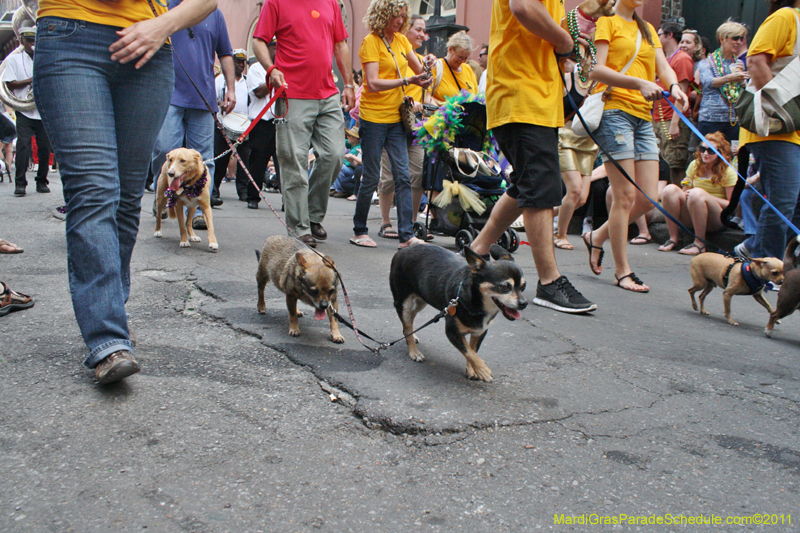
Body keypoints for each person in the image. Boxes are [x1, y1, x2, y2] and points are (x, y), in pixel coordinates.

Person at [33, 0, 217, 384]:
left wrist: (164, 25)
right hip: (70, 35)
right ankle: (108, 338)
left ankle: (111, 310)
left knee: (126, 197)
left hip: (149, 49)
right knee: (95, 191)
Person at [466, 0, 596, 313]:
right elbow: (523, 6)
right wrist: (565, 41)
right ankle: (550, 282)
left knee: (526, 183)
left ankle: (476, 251)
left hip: (536, 97)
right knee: (539, 189)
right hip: (521, 94)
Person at [583, 0, 688, 293]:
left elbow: (663, 67)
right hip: (614, 111)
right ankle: (622, 271)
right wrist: (638, 84)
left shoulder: (647, 29)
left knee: (648, 197)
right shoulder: (607, 22)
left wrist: (675, 87)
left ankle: (597, 237)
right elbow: (596, 71)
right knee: (626, 196)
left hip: (643, 116)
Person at [252, 0, 354, 248]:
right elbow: (259, 40)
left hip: (327, 93)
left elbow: (340, 44)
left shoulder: (330, 2)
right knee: (293, 160)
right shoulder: (276, 2)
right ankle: (300, 226)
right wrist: (271, 68)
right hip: (292, 93)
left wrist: (349, 83)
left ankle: (312, 215)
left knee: (334, 155)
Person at [350, 0, 431, 249]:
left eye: (403, 15)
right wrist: (407, 79)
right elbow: (372, 83)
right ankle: (360, 229)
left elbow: (422, 78)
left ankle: (407, 235)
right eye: (396, 15)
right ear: (384, 14)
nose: (400, 20)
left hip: (396, 119)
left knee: (403, 176)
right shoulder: (370, 42)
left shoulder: (402, 41)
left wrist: (427, 70)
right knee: (372, 176)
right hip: (373, 118)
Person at [151, 3, 235, 228]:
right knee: (164, 148)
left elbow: (225, 53)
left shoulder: (214, 12)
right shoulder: (163, 6)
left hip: (203, 98)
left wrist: (231, 89)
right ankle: (161, 193)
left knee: (203, 159)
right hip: (168, 93)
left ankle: (197, 209)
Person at [734, 0, 800, 260]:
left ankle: (772, 259)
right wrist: (780, 109)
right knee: (783, 200)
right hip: (775, 128)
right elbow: (756, 61)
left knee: (793, 203)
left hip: (793, 129)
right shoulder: (786, 17)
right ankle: (763, 260)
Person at [376, 13, 431, 240]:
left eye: (423, 30)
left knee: (417, 174)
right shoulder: (395, 56)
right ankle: (386, 221)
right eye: (418, 29)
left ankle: (411, 223)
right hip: (392, 121)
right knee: (389, 176)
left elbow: (428, 93)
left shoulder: (421, 61)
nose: (422, 34)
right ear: (405, 30)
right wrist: (409, 101)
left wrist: (428, 104)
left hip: (415, 125)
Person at [659, 132, 736, 255]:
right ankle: (673, 238)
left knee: (697, 193)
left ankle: (699, 243)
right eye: (703, 149)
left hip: (717, 218)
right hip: (693, 213)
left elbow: (732, 205)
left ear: (720, 153)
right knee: (670, 190)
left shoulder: (728, 171)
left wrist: (706, 196)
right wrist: (685, 193)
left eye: (711, 151)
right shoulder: (694, 165)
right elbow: (685, 189)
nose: (705, 153)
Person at [554, 59, 598, 250]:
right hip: (566, 137)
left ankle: (540, 215)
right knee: (574, 190)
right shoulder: (568, 79)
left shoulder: (602, 83)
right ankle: (560, 234)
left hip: (588, 143)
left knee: (580, 198)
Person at [4, 27, 52, 197]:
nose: (32, 43)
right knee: (23, 146)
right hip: (24, 110)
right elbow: (8, 83)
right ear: (21, 41)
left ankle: (41, 181)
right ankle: (20, 184)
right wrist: (31, 81)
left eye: (35, 40)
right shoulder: (14, 60)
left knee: (45, 148)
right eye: (29, 40)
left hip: (42, 110)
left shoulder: (46, 58)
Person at [652, 21, 694, 186]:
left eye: (660, 34)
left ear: (670, 35)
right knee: (660, 162)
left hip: (672, 118)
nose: (657, 37)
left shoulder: (682, 59)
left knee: (674, 163)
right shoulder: (663, 58)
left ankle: (676, 199)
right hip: (659, 117)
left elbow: (681, 93)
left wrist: (675, 123)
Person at [696, 20, 749, 141]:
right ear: (722, 39)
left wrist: (742, 81)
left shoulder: (738, 63)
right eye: (735, 38)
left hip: (733, 119)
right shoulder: (707, 62)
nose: (739, 42)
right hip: (711, 119)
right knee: (709, 155)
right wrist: (730, 77)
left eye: (741, 39)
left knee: (731, 156)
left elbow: (743, 89)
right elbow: (708, 82)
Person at [246, 40, 280, 210]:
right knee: (258, 160)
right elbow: (258, 92)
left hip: (281, 121)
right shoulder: (256, 69)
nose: (278, 50)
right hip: (262, 121)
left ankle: (288, 201)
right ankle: (252, 196)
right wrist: (274, 80)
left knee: (284, 162)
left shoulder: (285, 68)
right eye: (275, 47)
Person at [212, 48, 249, 204]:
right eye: (237, 61)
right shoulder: (220, 79)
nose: (241, 65)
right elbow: (212, 99)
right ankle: (214, 189)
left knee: (244, 160)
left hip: (243, 125)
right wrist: (221, 103)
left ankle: (244, 191)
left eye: (243, 62)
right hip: (224, 125)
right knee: (221, 159)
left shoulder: (248, 81)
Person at [431, 31, 479, 105]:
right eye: (460, 57)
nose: (463, 61)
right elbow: (425, 96)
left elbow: (476, 96)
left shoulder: (468, 69)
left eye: (466, 58)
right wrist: (446, 107)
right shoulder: (436, 67)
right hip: (442, 115)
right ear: (450, 49)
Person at [331, 126, 362, 197]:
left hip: (355, 171)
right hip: (353, 167)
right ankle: (333, 188)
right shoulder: (352, 143)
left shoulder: (358, 147)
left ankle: (341, 190)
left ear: (355, 138)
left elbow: (347, 162)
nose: (347, 137)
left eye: (349, 136)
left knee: (339, 166)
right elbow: (339, 142)